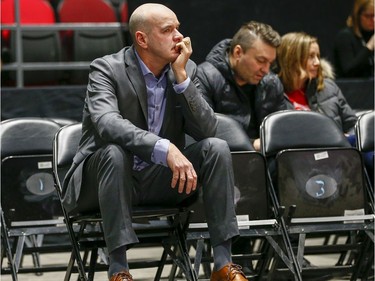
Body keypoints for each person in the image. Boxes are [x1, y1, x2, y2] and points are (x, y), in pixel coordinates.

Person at [61, 3, 248, 281]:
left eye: (178, 28)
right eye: (168, 30)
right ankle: (118, 270)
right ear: (142, 39)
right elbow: (106, 122)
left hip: (158, 181)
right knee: (114, 152)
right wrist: (163, 147)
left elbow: (208, 129)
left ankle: (222, 265)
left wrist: (183, 79)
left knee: (216, 148)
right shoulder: (106, 69)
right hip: (102, 182)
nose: (179, 37)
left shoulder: (186, 70)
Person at [197, 21, 287, 152]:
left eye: (270, 63)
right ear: (238, 52)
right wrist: (252, 144)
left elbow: (282, 130)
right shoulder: (204, 77)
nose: (266, 70)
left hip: (268, 158)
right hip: (227, 160)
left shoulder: (271, 82)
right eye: (261, 61)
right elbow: (202, 134)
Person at [277, 32, 358, 135]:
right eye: (311, 56)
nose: (317, 63)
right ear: (292, 58)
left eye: (318, 56)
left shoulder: (328, 87)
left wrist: (346, 138)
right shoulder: (275, 93)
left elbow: (353, 125)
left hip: (336, 149)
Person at [333, 0, 374, 78]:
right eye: (368, 16)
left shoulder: (372, 34)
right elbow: (348, 70)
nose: (373, 20)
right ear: (357, 16)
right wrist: (369, 46)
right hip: (352, 88)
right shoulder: (345, 37)